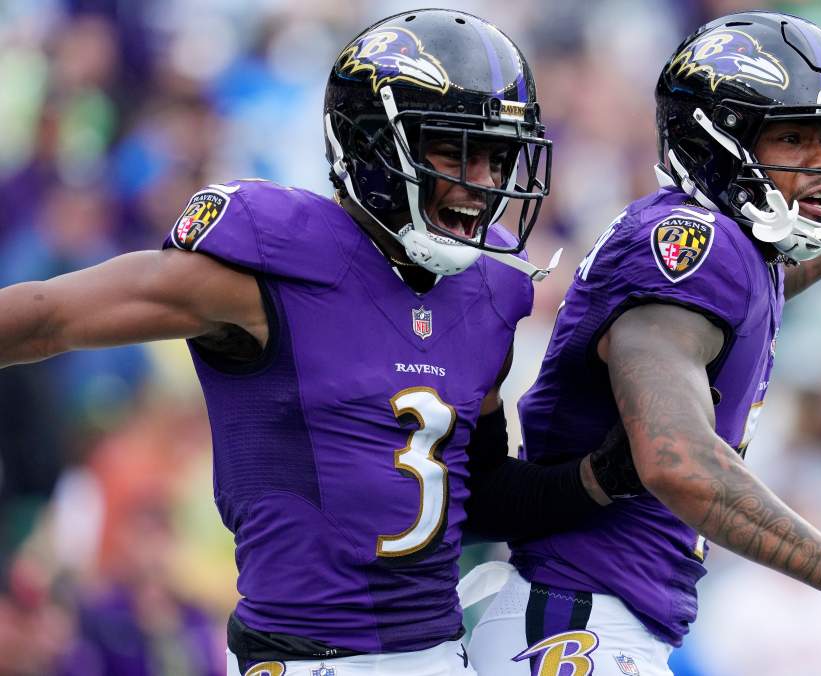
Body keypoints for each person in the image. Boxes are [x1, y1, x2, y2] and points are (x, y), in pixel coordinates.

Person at [0, 9, 638, 676]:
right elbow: (51, 317)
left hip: (437, 655)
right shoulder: (272, 261)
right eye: (456, 150)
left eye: (498, 156)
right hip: (303, 660)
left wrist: (604, 475)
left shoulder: (490, 289)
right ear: (373, 144)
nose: (482, 182)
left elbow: (474, 496)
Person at [466, 11, 821, 676]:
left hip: (595, 621)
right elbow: (677, 461)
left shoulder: (731, 252)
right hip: (575, 625)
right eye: (794, 139)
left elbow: (751, 299)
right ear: (715, 141)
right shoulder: (693, 246)